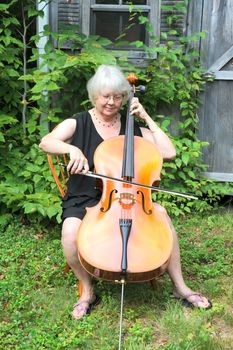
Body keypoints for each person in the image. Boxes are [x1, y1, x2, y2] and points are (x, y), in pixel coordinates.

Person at [39, 64, 212, 319]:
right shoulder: (78, 122)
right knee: (69, 234)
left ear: (124, 97)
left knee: (161, 215)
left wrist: (147, 118)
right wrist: (72, 150)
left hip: (126, 196)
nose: (111, 102)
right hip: (84, 197)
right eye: (105, 96)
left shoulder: (131, 127)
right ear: (94, 95)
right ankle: (87, 291)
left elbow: (169, 152)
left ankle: (180, 287)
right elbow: (46, 142)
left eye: (118, 96)